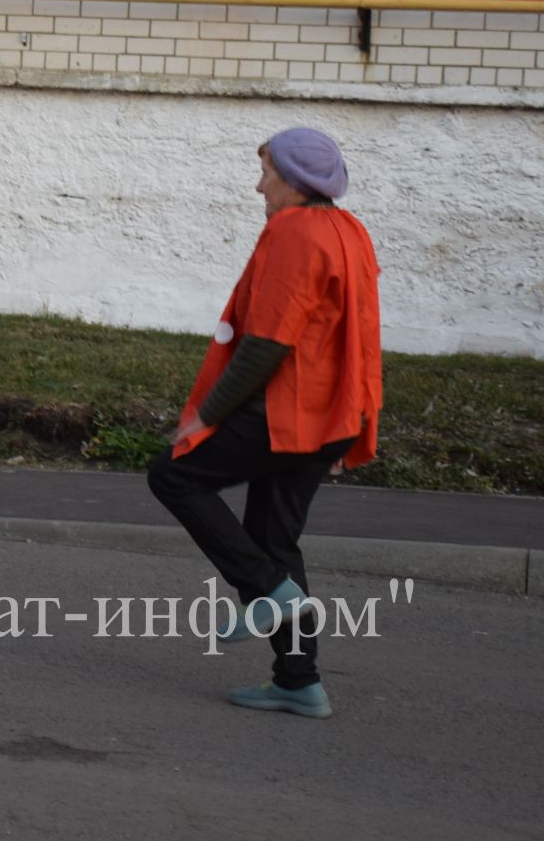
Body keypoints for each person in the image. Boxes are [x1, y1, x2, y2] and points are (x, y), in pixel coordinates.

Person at [147, 127, 382, 721]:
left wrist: (207, 414)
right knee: (277, 543)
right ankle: (298, 681)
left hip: (288, 414)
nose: (259, 186)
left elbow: (265, 345)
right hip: (333, 414)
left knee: (172, 475)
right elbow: (358, 334)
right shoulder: (349, 231)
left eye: (267, 173)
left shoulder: (295, 233)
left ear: (294, 180)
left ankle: (268, 592)